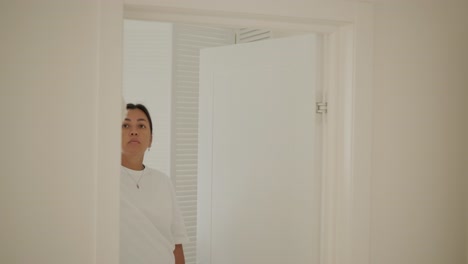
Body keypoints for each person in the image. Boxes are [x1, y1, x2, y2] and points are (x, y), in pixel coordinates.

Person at [120, 103, 188, 264]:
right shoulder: (102, 181)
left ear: (150, 139)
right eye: (126, 125)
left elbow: (177, 241)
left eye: (141, 125)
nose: (134, 131)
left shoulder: (163, 182)